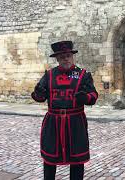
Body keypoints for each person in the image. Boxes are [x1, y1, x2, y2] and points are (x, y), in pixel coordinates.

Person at [31, 41, 98, 180]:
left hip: (75, 123)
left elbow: (94, 95)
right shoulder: (49, 76)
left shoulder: (83, 75)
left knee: (77, 160)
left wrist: (85, 98)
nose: (65, 59)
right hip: (53, 123)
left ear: (72, 56)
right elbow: (39, 97)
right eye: (62, 57)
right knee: (50, 159)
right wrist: (38, 93)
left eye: (68, 56)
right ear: (57, 59)